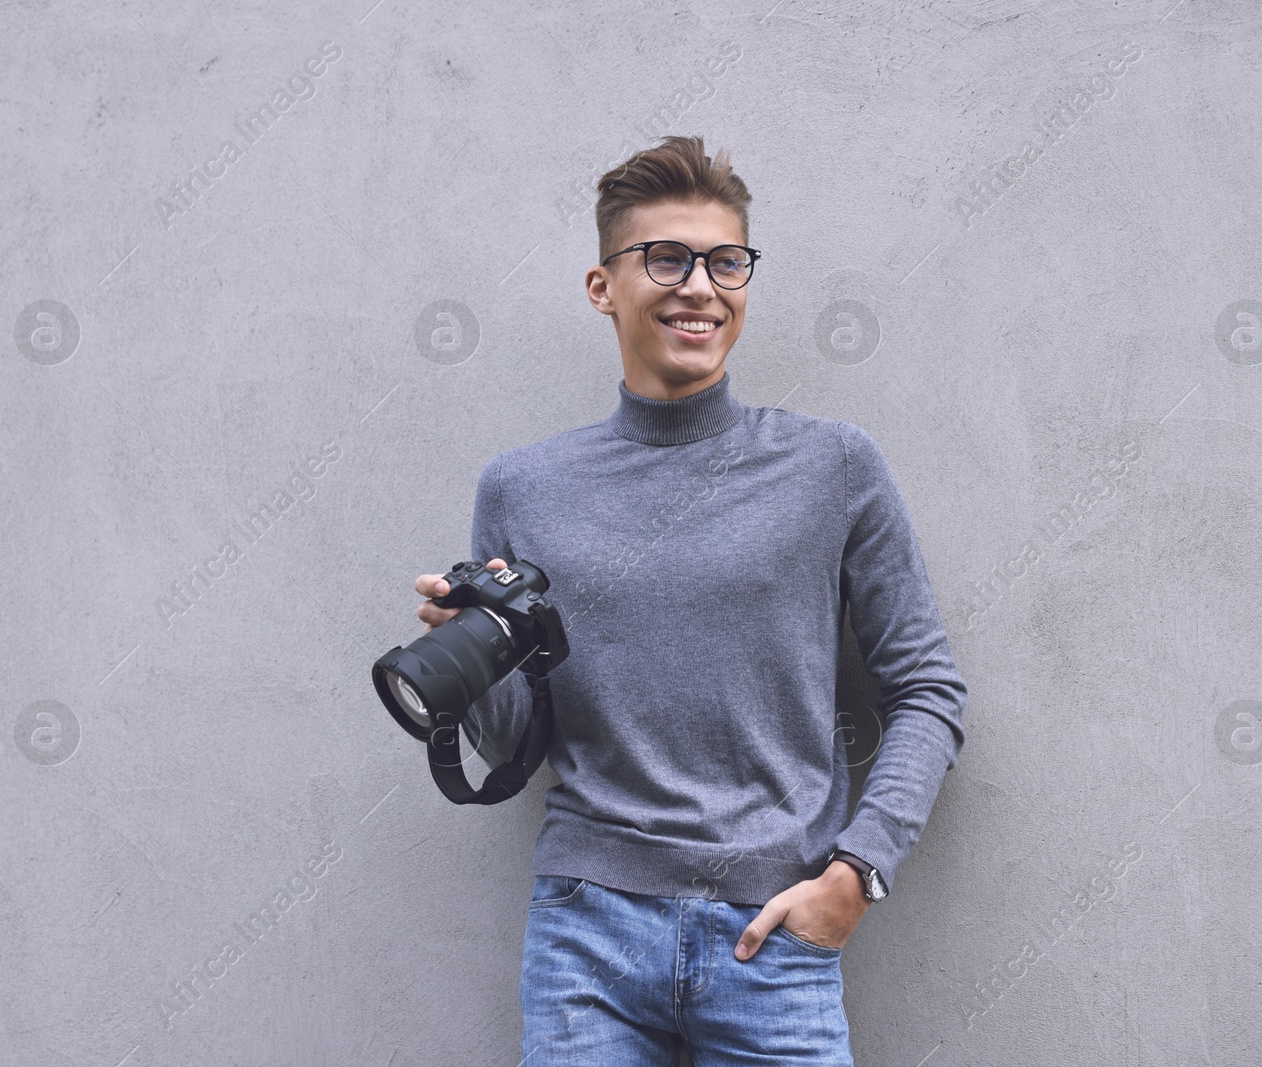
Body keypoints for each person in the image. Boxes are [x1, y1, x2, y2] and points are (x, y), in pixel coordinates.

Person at [412, 134, 967, 1066]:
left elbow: (927, 691)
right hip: (585, 934)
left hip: (775, 935)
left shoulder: (832, 466)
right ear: (604, 286)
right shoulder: (522, 488)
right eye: (666, 257)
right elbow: (519, 743)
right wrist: (468, 669)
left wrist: (857, 873)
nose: (700, 285)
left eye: (726, 260)